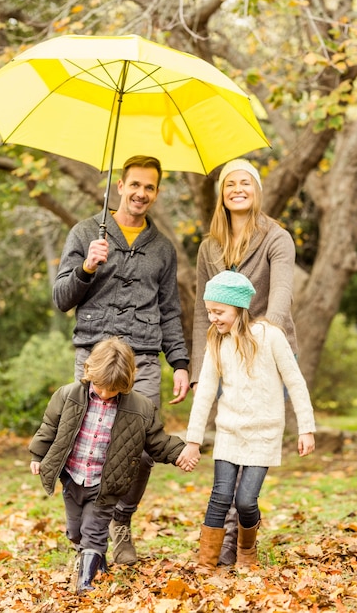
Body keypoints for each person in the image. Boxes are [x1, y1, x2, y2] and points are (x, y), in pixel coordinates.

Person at [52, 155, 190, 565]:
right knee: (82, 445)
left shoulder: (162, 247)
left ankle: (120, 523)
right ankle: (83, 535)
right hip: (94, 358)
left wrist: (180, 362)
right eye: (135, 185)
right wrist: (86, 267)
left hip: (144, 359)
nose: (141, 194)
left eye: (149, 187)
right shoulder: (85, 233)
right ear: (120, 186)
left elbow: (169, 309)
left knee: (142, 450)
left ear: (156, 192)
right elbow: (61, 299)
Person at [190, 157, 298, 565]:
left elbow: (282, 295)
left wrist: (261, 339)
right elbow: (204, 311)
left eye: (245, 183)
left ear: (256, 190)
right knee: (229, 444)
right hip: (220, 352)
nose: (238, 189)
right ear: (222, 192)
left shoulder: (277, 237)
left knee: (252, 443)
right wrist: (203, 368)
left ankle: (236, 542)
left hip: (267, 349)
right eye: (230, 183)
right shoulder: (209, 247)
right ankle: (225, 542)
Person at [29, 337, 197, 594]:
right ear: (89, 371)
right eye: (101, 386)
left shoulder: (140, 408)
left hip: (105, 483)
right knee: (75, 532)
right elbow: (49, 427)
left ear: (127, 382)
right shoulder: (67, 395)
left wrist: (179, 453)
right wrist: (38, 456)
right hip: (74, 477)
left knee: (93, 531)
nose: (106, 394)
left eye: (113, 390)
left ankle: (85, 582)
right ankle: (97, 558)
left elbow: (156, 441)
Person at [183, 271, 315, 570]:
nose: (213, 318)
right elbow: (204, 393)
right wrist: (193, 441)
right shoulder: (217, 342)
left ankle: (246, 548)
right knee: (219, 497)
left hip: (264, 434)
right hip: (229, 432)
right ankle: (206, 563)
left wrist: (306, 428)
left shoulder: (270, 336)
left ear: (239, 308)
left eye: (219, 312)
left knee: (245, 501)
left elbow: (295, 382)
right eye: (209, 312)